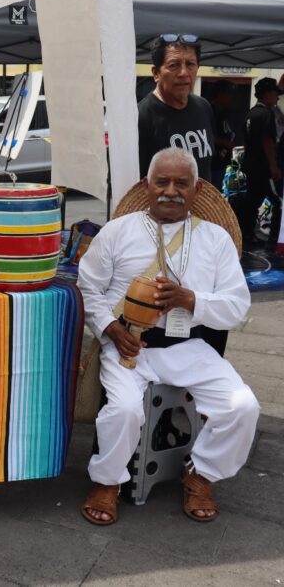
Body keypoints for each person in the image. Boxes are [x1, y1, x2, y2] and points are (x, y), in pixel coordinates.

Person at [77, 147, 259, 526]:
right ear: (147, 186)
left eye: (181, 183)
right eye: (162, 182)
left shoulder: (215, 239)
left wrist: (191, 300)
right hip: (128, 345)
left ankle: (201, 473)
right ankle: (107, 482)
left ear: (196, 189)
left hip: (188, 347)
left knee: (242, 407)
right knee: (124, 409)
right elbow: (88, 288)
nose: (171, 191)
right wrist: (110, 328)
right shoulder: (117, 231)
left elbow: (237, 305)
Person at [137, 34, 214, 182]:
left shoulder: (203, 107)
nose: (183, 73)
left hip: (203, 197)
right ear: (156, 73)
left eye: (190, 64)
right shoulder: (142, 117)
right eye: (174, 65)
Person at [241, 77, 282, 251]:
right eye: (275, 94)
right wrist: (273, 165)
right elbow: (267, 140)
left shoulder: (251, 113)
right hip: (263, 167)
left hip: (251, 166)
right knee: (279, 201)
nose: (277, 98)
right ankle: (275, 237)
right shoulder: (266, 114)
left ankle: (246, 234)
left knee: (252, 201)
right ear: (267, 94)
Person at [206, 80, 235, 192]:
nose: (231, 97)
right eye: (228, 94)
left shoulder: (223, 112)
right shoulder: (210, 111)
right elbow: (206, 135)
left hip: (222, 161)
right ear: (219, 94)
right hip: (213, 162)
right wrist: (224, 142)